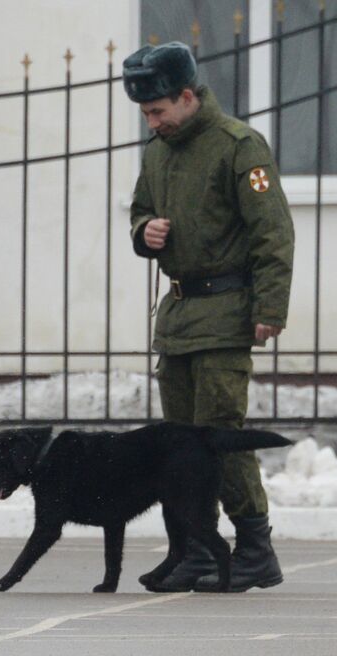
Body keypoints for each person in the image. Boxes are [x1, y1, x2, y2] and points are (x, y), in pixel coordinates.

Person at [126, 41, 293, 592]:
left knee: (220, 434)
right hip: (177, 314)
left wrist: (270, 305)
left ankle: (254, 547)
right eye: (146, 114)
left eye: (158, 111)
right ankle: (197, 549)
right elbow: (141, 209)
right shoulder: (158, 150)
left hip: (226, 312)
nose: (153, 122)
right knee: (181, 444)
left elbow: (273, 231)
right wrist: (143, 233)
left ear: (187, 95)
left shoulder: (238, 146)